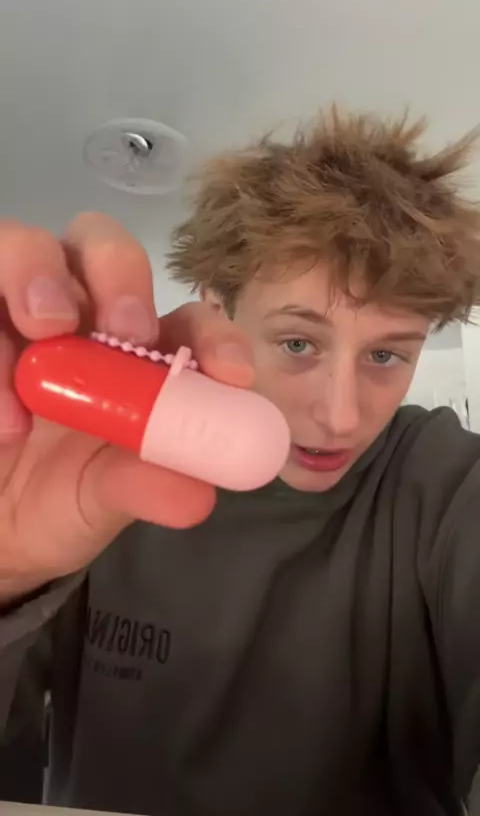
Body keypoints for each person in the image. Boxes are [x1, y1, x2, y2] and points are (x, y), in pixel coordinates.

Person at [1, 109, 480, 816]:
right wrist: (8, 575)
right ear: (217, 308)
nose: (342, 416)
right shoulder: (98, 475)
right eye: (298, 344)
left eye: (386, 355)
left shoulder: (443, 482)